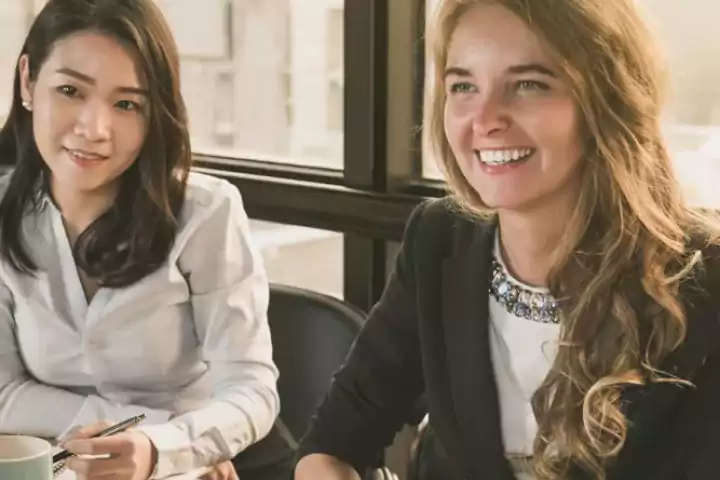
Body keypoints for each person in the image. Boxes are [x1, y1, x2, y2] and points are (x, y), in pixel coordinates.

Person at [294, 0, 720, 479]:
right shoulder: (439, 240)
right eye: (463, 86)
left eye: (528, 84)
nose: (486, 117)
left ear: (606, 99)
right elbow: (334, 438)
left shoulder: (706, 276)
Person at [0, 0, 293, 479]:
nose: (94, 129)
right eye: (71, 90)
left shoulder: (205, 212)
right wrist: (163, 433)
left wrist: (166, 450)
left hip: (222, 466)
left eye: (126, 104)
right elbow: (4, 393)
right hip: (78, 463)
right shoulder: (4, 212)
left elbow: (252, 389)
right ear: (28, 82)